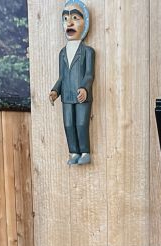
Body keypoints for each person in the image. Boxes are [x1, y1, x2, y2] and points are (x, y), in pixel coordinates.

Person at [49, 1, 94, 165]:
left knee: (81, 123)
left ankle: (85, 152)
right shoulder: (62, 53)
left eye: (75, 18)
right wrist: (55, 91)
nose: (69, 23)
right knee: (68, 124)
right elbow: (61, 76)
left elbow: (89, 74)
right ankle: (73, 152)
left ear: (85, 22)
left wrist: (84, 88)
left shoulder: (88, 51)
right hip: (66, 95)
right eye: (65, 18)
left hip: (81, 95)